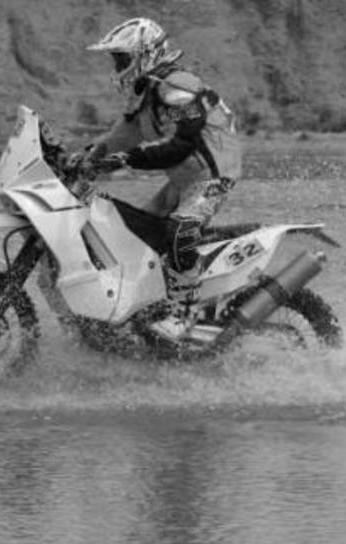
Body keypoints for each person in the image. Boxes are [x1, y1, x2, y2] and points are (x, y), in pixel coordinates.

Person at [78, 17, 242, 342]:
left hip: (212, 177)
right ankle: (143, 309)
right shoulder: (148, 96)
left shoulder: (178, 89)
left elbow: (183, 144)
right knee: (135, 237)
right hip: (184, 180)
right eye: (117, 60)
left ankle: (185, 314)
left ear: (145, 54)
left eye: (122, 59)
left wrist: (130, 159)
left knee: (180, 229)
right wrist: (82, 161)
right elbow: (120, 137)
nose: (118, 66)